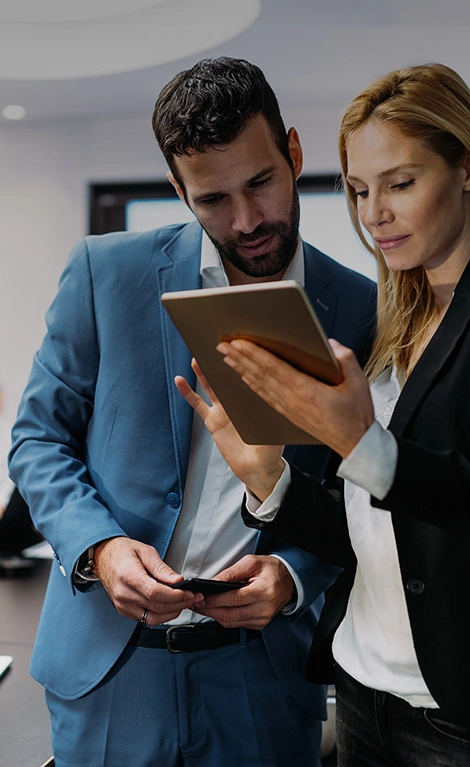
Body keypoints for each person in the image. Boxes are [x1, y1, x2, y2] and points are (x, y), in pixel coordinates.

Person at [176, 63, 470, 766]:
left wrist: (364, 445)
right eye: (357, 188)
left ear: (468, 165)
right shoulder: (391, 320)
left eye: (400, 182)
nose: (372, 212)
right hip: (362, 689)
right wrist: (270, 481)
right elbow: (373, 524)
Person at [9, 57, 376, 767]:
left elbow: (359, 494)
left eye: (261, 183)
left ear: (294, 153)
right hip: (109, 674)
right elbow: (36, 439)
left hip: (260, 679)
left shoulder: (361, 309)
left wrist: (294, 574)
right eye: (211, 198)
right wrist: (99, 546)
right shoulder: (104, 272)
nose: (245, 221)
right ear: (178, 189)